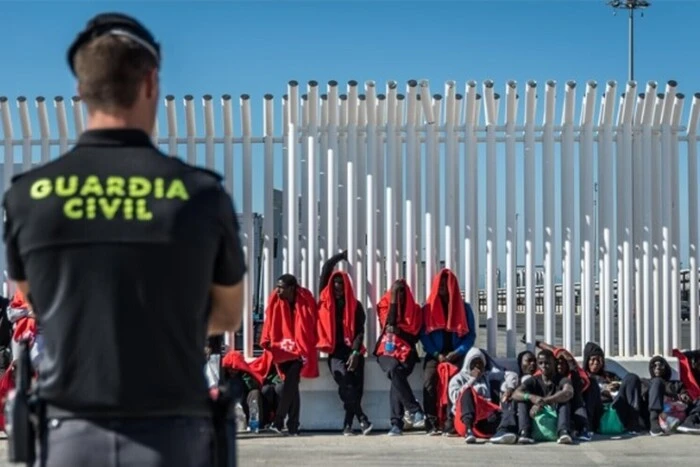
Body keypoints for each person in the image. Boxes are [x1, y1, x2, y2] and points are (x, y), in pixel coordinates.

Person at [2, 12, 246, 466]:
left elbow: (37, 300)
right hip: (173, 433)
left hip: (68, 434)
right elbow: (228, 313)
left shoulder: (28, 197)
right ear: (151, 81)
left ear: (80, 89)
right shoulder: (201, 194)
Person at [316, 250, 373, 435]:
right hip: (335, 352)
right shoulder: (325, 301)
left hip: (353, 352)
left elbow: (359, 332)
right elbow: (326, 269)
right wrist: (341, 256)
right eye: (335, 285)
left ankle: (348, 425)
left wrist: (356, 353)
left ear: (346, 286)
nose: (338, 288)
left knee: (356, 389)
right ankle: (362, 418)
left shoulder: (356, 306)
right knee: (345, 385)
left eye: (341, 284)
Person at [259, 274, 319, 435]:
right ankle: (293, 426)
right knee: (292, 387)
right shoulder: (275, 299)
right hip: (282, 348)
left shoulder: (304, 299)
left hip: (299, 349)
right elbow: (270, 320)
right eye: (277, 286)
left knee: (290, 383)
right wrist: (267, 339)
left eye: (281, 287)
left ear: (291, 288)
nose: (277, 290)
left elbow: (311, 321)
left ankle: (278, 422)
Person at [420, 269, 476, 435]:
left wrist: (457, 352)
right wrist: (437, 355)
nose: (443, 288)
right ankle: (430, 421)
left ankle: (451, 421)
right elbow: (424, 335)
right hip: (435, 354)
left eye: (446, 285)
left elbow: (470, 335)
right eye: (440, 285)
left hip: (457, 353)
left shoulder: (464, 309)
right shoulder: (428, 308)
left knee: (456, 381)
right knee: (429, 381)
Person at [374, 279, 425, 436]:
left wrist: (399, 332)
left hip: (406, 351)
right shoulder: (384, 306)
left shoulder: (415, 310)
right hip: (386, 350)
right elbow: (388, 322)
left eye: (402, 292)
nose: (400, 295)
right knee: (395, 370)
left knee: (396, 375)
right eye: (397, 292)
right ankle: (415, 409)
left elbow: (414, 337)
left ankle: (396, 423)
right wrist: (394, 301)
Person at [448, 347, 519, 444]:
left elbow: (511, 374)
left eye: (480, 363)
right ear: (468, 363)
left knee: (506, 404)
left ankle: (501, 432)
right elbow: (456, 398)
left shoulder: (486, 376)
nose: (477, 366)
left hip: (485, 418)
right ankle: (469, 432)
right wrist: (472, 379)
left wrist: (510, 388)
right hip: (465, 420)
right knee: (467, 391)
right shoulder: (458, 378)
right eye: (474, 363)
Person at [512, 349, 575, 444]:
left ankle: (563, 432)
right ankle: (525, 433)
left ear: (554, 363)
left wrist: (543, 401)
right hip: (536, 417)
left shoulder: (562, 379)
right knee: (522, 400)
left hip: (555, 416)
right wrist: (531, 397)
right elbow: (515, 393)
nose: (543, 366)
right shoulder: (533, 380)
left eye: (547, 363)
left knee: (564, 402)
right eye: (540, 363)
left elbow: (568, 392)